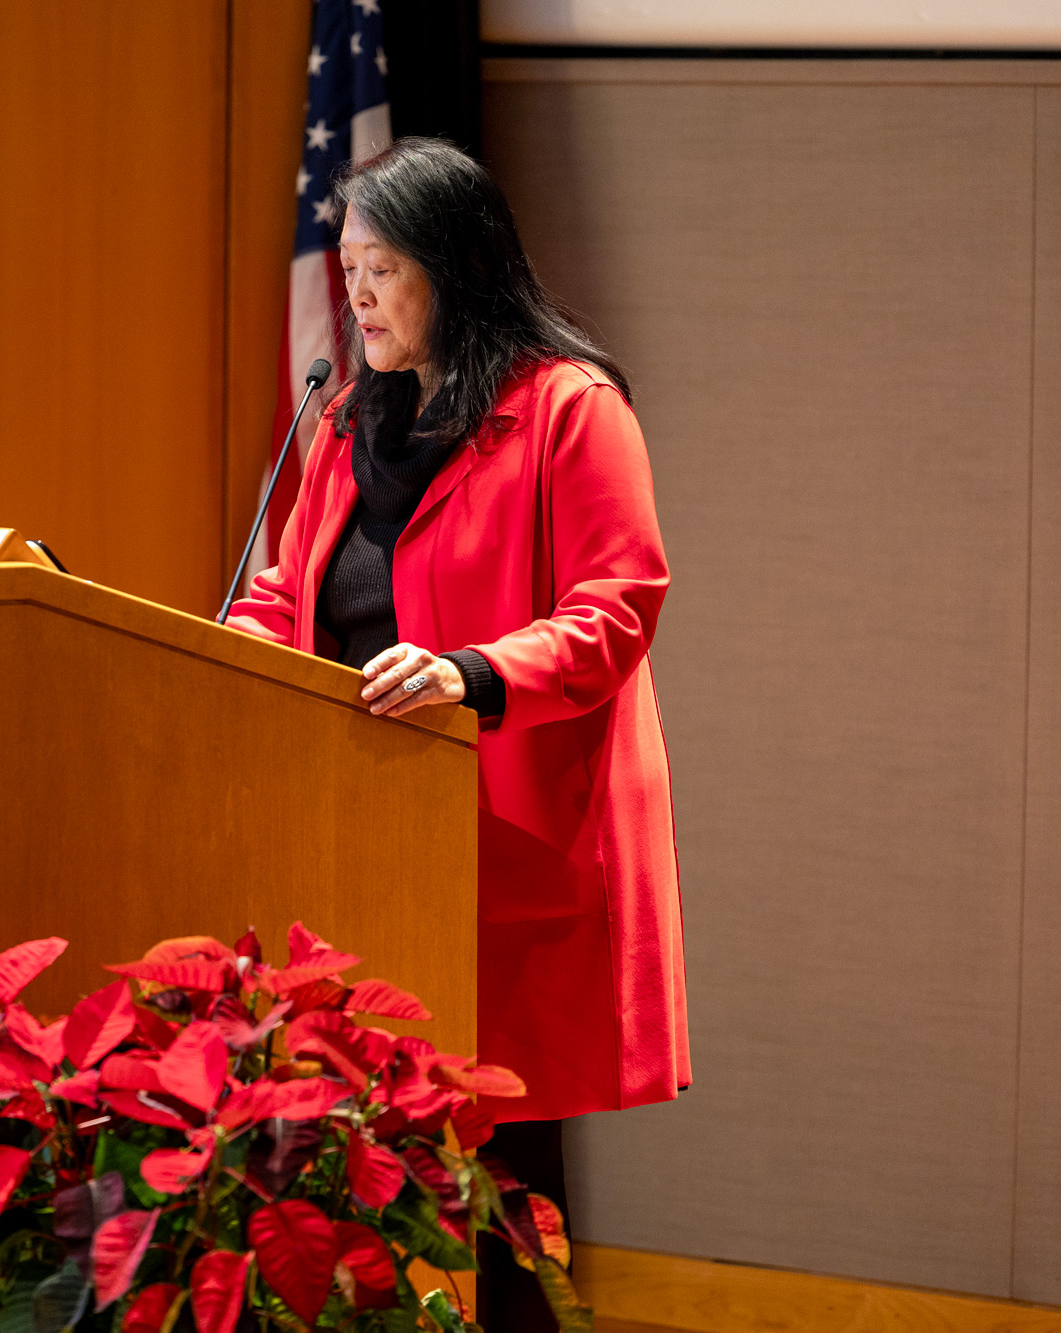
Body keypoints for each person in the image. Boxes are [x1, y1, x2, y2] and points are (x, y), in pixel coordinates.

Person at [226, 138, 688, 1327]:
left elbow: (615, 608)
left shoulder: (567, 411)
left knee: (500, 1188)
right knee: (360, 1180)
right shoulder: (347, 419)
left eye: (382, 266)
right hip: (365, 846)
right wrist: (228, 642)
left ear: (455, 265)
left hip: (509, 843)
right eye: (348, 267)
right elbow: (292, 592)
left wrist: (471, 674)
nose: (359, 295)